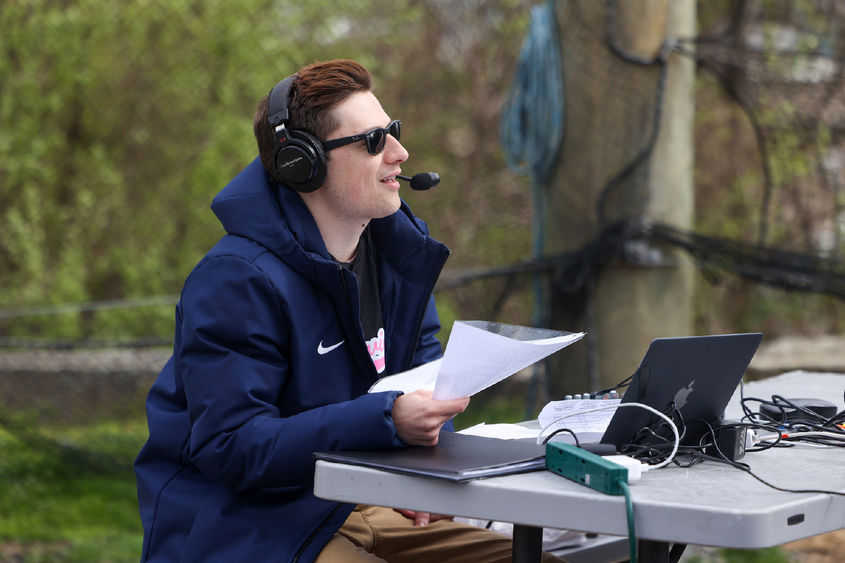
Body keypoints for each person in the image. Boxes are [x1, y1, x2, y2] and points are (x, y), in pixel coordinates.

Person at [134, 59, 563, 562]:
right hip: (254, 524)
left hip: (369, 501)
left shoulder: (400, 258)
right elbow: (231, 446)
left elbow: (427, 383)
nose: (401, 154)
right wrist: (386, 421)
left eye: (393, 132)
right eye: (374, 141)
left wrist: (428, 464)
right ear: (304, 164)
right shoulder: (236, 279)